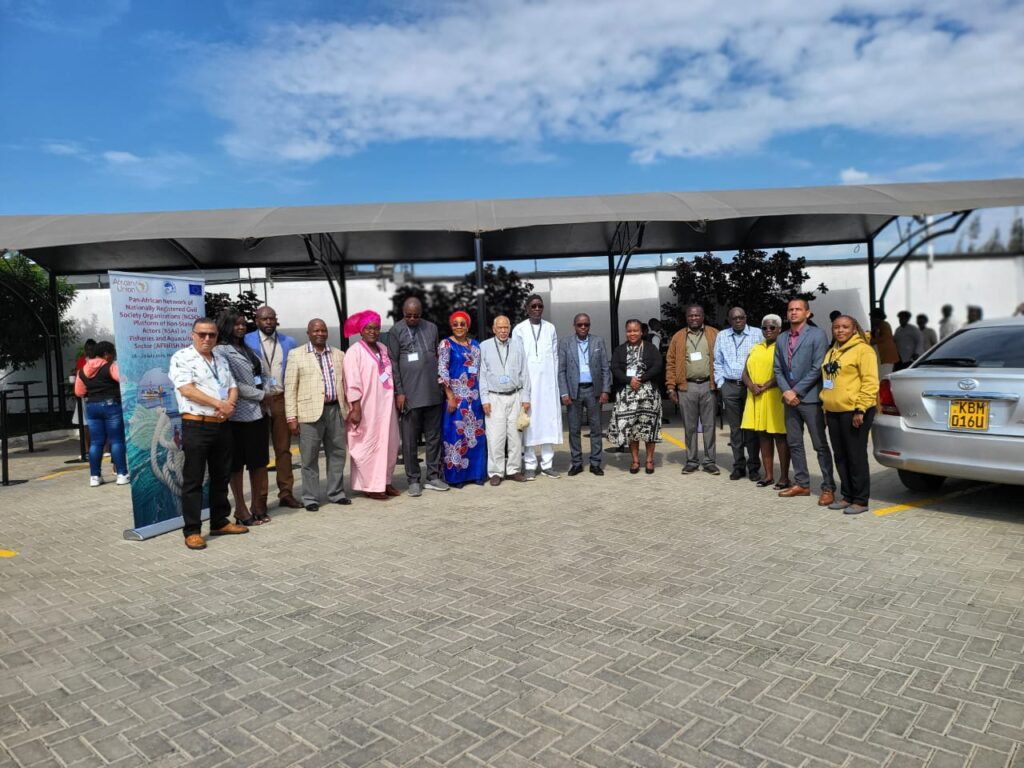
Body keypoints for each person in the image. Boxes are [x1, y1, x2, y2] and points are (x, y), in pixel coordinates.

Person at [168, 317, 249, 550]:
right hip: (197, 425)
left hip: (222, 424)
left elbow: (232, 386)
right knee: (193, 479)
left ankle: (219, 521)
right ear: (192, 335)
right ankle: (192, 530)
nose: (206, 339)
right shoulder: (181, 357)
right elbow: (187, 389)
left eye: (211, 335)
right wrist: (219, 404)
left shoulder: (220, 359)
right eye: (202, 334)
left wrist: (229, 405)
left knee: (221, 475)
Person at [773, 299, 836, 506]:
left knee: (820, 445)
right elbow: (777, 369)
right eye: (790, 309)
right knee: (794, 443)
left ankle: (828, 487)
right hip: (789, 400)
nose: (793, 312)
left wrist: (796, 391)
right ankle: (802, 484)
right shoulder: (782, 338)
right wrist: (787, 391)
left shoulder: (817, 335)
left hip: (810, 399)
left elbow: (818, 368)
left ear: (807, 313)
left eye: (798, 309)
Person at [284, 318, 350, 511]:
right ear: (308, 333)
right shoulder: (296, 355)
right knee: (309, 457)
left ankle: (336, 493)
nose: (320, 334)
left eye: (323, 330)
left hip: (335, 410)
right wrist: (291, 417)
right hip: (309, 413)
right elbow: (290, 388)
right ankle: (311, 498)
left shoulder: (339, 354)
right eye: (316, 331)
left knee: (337, 453)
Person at [386, 297, 449, 497]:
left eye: (416, 316)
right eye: (408, 316)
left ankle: (433, 476)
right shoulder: (395, 331)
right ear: (403, 314)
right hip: (409, 395)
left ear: (421, 314)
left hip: (432, 392)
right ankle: (413, 479)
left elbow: (438, 357)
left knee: (433, 437)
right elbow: (393, 363)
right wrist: (399, 392)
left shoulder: (431, 328)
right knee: (410, 440)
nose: (412, 319)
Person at [215, 310, 270, 524]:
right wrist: (261, 395)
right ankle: (240, 509)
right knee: (236, 465)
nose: (241, 327)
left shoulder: (246, 349)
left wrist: (267, 390)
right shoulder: (221, 351)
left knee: (259, 462)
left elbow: (262, 374)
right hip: (237, 416)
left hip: (259, 414)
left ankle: (257, 506)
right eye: (236, 324)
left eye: (243, 324)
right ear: (226, 326)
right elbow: (231, 383)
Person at [244, 306, 302, 510]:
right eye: (264, 318)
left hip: (280, 399)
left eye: (272, 318)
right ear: (256, 320)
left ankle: (286, 494)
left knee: (283, 449)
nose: (268, 322)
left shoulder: (289, 342)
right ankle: (260, 500)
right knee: (259, 452)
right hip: (257, 400)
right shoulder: (246, 340)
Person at [822, 315, 879, 515]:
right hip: (833, 411)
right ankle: (847, 496)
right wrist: (825, 408)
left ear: (854, 329)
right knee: (840, 456)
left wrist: (861, 409)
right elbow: (827, 382)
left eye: (845, 327)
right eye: (836, 327)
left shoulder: (864, 350)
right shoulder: (832, 351)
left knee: (856, 456)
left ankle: (861, 500)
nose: (840, 330)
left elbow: (870, 382)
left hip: (855, 411)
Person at [343, 310, 400, 500]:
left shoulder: (383, 348)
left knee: (389, 444)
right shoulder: (354, 352)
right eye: (368, 328)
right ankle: (371, 485)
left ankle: (385, 481)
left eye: (376, 328)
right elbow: (351, 381)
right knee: (368, 445)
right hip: (367, 406)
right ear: (361, 330)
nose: (372, 332)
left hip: (386, 406)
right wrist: (356, 407)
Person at [512, 295, 562, 479]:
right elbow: (516, 359)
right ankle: (530, 465)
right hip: (529, 386)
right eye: (533, 306)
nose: (537, 309)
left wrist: (555, 383)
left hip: (548, 386)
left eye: (540, 306)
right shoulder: (519, 329)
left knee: (548, 423)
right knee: (529, 425)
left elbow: (555, 357)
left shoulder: (550, 328)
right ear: (526, 308)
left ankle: (547, 464)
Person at [666, 304, 720, 474]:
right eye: (691, 315)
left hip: (708, 385)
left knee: (709, 425)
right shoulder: (678, 337)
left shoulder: (714, 334)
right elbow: (671, 363)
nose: (694, 318)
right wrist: (670, 387)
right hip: (686, 386)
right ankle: (691, 461)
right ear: (686, 317)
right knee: (690, 426)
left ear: (703, 316)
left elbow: (722, 358)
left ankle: (710, 461)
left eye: (697, 315)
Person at [478, 315, 530, 485]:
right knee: (495, 437)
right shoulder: (484, 346)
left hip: (515, 396)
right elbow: (482, 375)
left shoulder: (518, 345)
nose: (503, 331)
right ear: (494, 329)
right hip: (495, 397)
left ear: (510, 328)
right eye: (499, 328)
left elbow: (524, 372)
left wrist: (526, 397)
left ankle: (514, 470)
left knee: (515, 437)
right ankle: (496, 472)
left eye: (506, 327)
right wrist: (484, 399)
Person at [558, 313, 612, 476]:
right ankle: (577, 463)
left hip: (593, 390)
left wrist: (605, 390)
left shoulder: (598, 341)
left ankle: (595, 463)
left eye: (586, 324)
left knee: (596, 428)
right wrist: (564, 392)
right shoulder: (565, 342)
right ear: (574, 326)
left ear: (589, 325)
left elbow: (605, 368)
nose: (583, 327)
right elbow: (561, 370)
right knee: (574, 429)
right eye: (580, 325)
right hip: (573, 391)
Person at [437, 311, 487, 487]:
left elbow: (481, 371)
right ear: (451, 326)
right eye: (455, 324)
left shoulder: (475, 345)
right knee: (455, 437)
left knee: (475, 437)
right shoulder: (446, 344)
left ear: (468, 326)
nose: (459, 327)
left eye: (462, 324)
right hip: (456, 399)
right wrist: (450, 396)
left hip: (474, 399)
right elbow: (442, 371)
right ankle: (456, 477)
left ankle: (475, 474)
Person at [713, 306, 763, 481]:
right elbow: (717, 361)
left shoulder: (757, 334)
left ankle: (754, 467)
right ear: (729, 320)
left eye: (741, 317)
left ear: (746, 317)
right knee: (735, 430)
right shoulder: (722, 335)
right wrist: (721, 384)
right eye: (734, 318)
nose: (738, 321)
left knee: (751, 428)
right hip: (730, 386)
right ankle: (739, 466)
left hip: (750, 388)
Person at [740, 315, 790, 490]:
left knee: (780, 437)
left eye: (772, 327)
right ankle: (768, 475)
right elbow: (744, 372)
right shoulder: (756, 347)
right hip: (757, 396)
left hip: (775, 397)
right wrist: (751, 385)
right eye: (764, 328)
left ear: (780, 329)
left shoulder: (784, 347)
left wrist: (766, 385)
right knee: (763, 436)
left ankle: (784, 477)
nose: (768, 330)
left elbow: (785, 372)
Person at [608, 319, 663, 474]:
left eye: (635, 331)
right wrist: (629, 380)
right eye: (629, 331)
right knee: (632, 429)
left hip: (648, 394)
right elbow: (615, 368)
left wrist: (641, 379)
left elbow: (658, 365)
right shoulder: (620, 350)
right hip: (627, 394)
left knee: (649, 427)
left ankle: (649, 460)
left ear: (641, 332)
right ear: (626, 332)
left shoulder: (651, 348)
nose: (632, 334)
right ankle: (635, 461)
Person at [74, 340, 129, 487]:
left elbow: (79, 392)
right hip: (111, 405)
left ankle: (95, 477)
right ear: (106, 354)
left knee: (96, 442)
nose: (113, 357)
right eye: (113, 354)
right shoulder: (111, 366)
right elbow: (123, 380)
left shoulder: (82, 371)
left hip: (92, 407)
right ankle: (122, 474)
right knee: (116, 440)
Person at [869, 308, 898, 378]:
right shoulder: (879, 327)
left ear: (878, 318)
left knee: (883, 376)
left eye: (872, 317)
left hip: (886, 357)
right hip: (882, 357)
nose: (871, 319)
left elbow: (885, 337)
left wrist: (870, 341)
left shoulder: (885, 325)